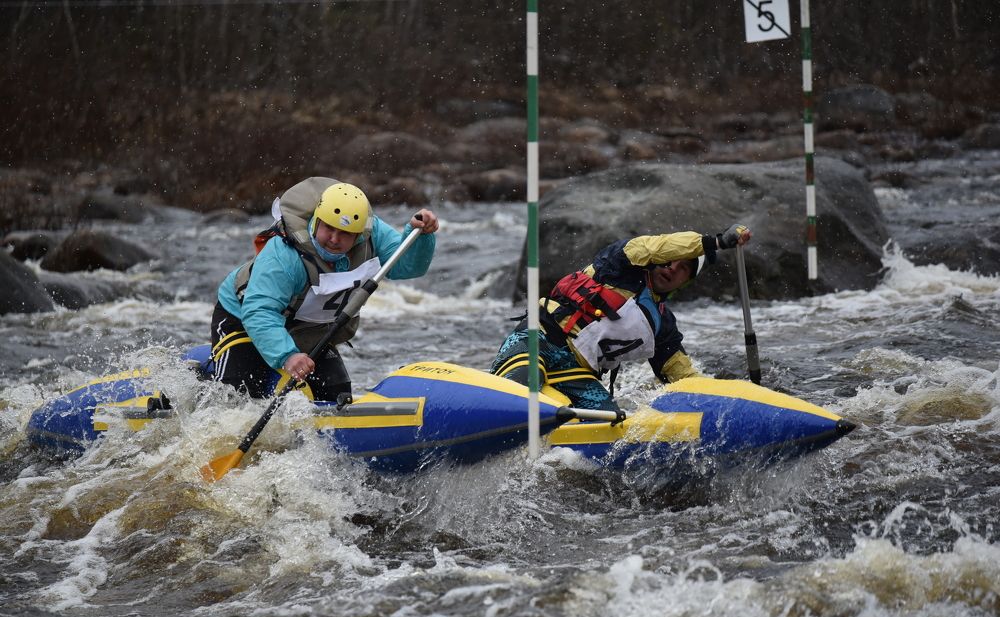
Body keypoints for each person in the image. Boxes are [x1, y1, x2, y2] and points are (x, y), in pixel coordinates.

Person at [210, 177, 439, 401]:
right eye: (328, 228)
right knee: (238, 396)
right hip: (241, 318)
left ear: (360, 234)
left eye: (345, 234)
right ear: (316, 220)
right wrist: (287, 356)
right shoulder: (284, 255)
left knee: (337, 390)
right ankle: (200, 384)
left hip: (306, 328)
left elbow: (407, 267)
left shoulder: (372, 233)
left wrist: (420, 236)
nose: (334, 239)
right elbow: (259, 311)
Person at [489, 223, 751, 412]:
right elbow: (653, 246)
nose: (673, 268)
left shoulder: (663, 326)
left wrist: (727, 400)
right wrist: (715, 242)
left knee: (610, 420)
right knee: (521, 387)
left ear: (687, 281)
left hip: (578, 374)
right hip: (538, 341)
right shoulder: (621, 265)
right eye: (672, 260)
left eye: (684, 268)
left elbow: (682, 376)